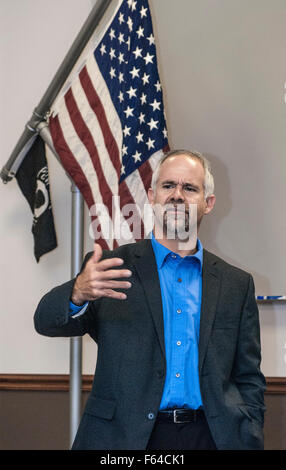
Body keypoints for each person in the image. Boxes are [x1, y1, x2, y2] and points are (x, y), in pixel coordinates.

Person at [34, 149, 266, 450]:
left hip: (213, 437)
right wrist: (77, 292)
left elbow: (248, 376)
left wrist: (250, 431)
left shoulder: (237, 284)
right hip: (125, 439)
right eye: (168, 186)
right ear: (152, 195)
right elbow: (45, 322)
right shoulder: (111, 269)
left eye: (190, 188)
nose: (177, 195)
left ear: (208, 203)